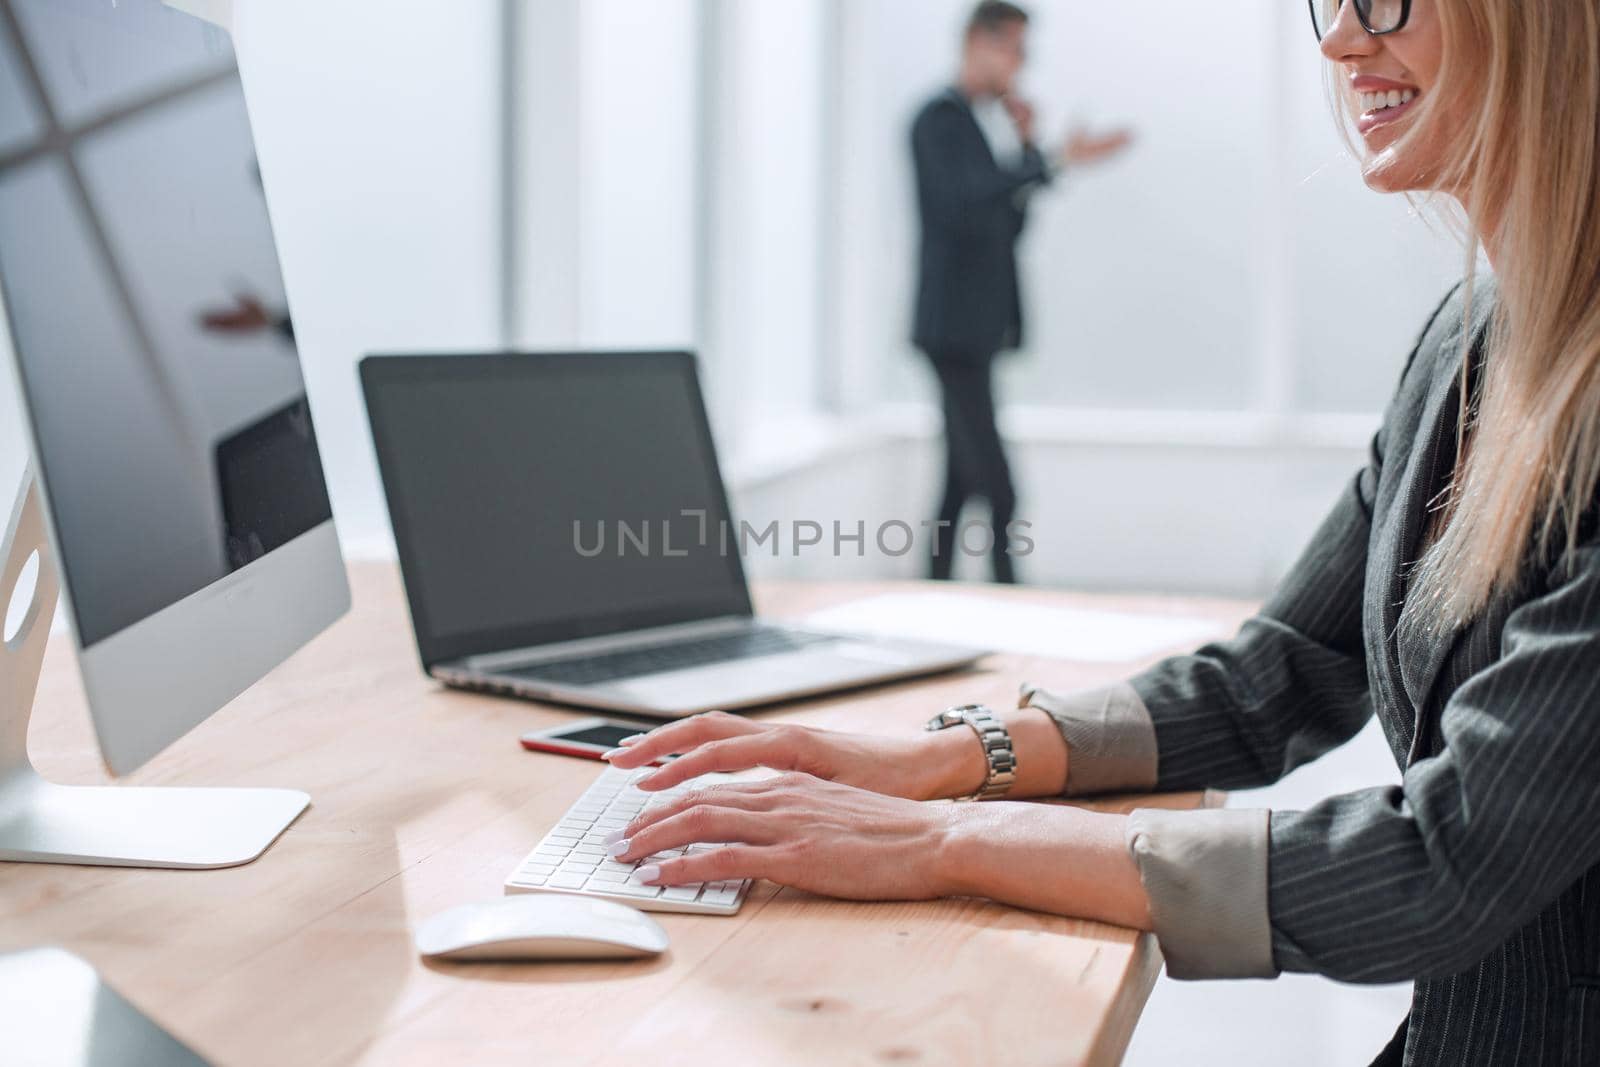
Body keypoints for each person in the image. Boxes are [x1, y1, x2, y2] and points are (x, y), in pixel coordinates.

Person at [604, 0, 1600, 1062]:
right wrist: (931, 760)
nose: (1341, 41)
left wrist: (943, 839)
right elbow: (1279, 668)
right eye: (1335, 0)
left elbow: (1435, 866)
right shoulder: (1467, 341)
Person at [910, 1, 1130, 583]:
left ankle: (931, 595)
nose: (1021, 66)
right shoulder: (937, 120)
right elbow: (964, 210)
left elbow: (1005, 227)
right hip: (951, 329)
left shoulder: (979, 127)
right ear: (979, 43)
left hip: (975, 329)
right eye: (1016, 50)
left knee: (959, 481)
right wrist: (1051, 158)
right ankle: (1012, 606)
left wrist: (1032, 150)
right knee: (999, 490)